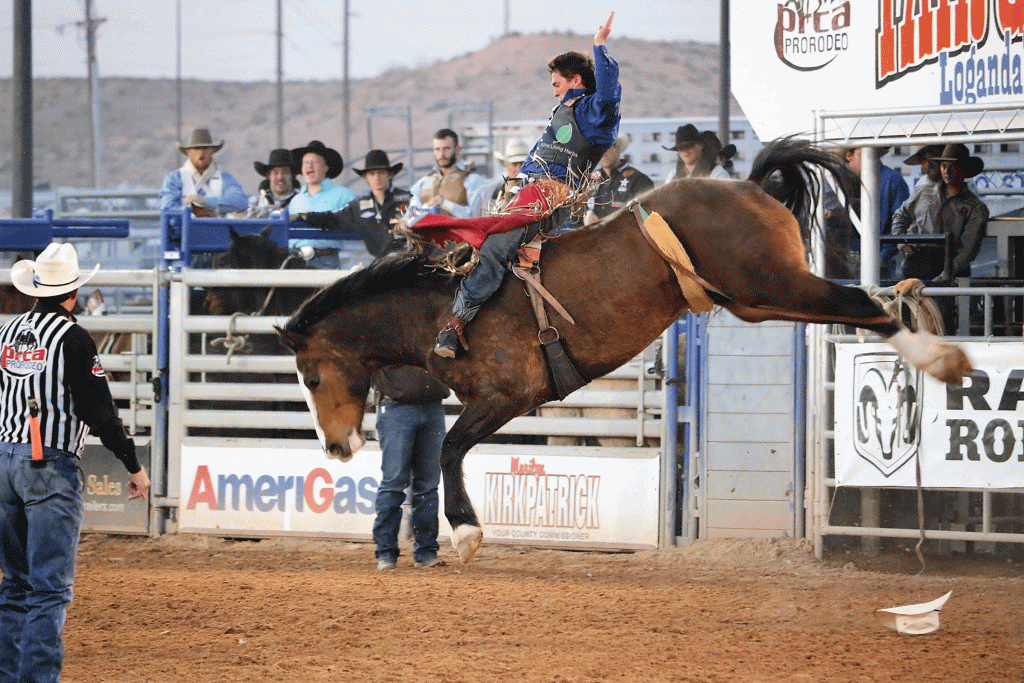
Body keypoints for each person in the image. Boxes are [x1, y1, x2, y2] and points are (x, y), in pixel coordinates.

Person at [410, 12, 620, 358]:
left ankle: (455, 325)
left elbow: (610, 95)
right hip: (530, 194)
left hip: (555, 197)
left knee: (495, 246)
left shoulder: (595, 113)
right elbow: (539, 154)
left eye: (556, 83)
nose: (553, 90)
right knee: (479, 244)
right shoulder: (563, 112)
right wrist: (516, 182)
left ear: (575, 79)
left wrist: (599, 48)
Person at [0, 243, 150, 683]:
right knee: (49, 589)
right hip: (48, 465)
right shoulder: (74, 337)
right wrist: (132, 464)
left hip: (4, 459)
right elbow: (99, 410)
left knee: (16, 583)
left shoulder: (9, 333)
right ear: (74, 292)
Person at [891, 143, 989, 283]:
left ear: (963, 169)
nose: (947, 171)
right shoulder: (924, 193)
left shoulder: (976, 207)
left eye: (953, 166)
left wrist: (948, 272)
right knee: (911, 303)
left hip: (951, 266)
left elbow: (969, 249)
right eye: (943, 166)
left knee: (944, 304)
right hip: (916, 262)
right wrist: (900, 240)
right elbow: (901, 215)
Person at [301, 150, 413, 259]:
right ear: (366, 178)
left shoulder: (408, 199)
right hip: (381, 265)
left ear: (390, 175)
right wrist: (304, 216)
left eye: (381, 172)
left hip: (408, 259)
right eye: (372, 173)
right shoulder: (358, 206)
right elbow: (332, 219)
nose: (377, 177)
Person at [842, 146, 910, 280]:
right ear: (848, 155)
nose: (868, 158)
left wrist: (882, 257)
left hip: (881, 265)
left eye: (871, 154)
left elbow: (901, 225)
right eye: (864, 154)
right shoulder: (843, 181)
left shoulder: (893, 181)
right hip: (851, 261)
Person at [287, 140, 357, 269]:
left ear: (326, 168)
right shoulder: (295, 200)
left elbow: (355, 226)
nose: (309, 166)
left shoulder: (344, 195)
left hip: (326, 260)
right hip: (295, 260)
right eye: (305, 163)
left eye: (314, 162)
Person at [160, 127, 249, 216]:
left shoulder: (225, 178)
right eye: (197, 148)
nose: (201, 152)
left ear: (212, 151)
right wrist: (196, 211)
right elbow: (167, 208)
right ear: (189, 152)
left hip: (217, 229)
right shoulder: (174, 178)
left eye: (205, 148)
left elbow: (241, 202)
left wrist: (203, 201)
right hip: (185, 229)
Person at [406, 129, 489, 220]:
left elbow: (475, 216)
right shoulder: (423, 182)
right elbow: (411, 215)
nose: (441, 154)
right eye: (437, 149)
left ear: (457, 150)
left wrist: (445, 204)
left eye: (446, 149)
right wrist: (427, 207)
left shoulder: (472, 179)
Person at [584, 134, 654, 224]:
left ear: (617, 147)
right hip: (595, 236)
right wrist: (587, 213)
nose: (603, 154)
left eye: (606, 147)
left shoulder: (639, 180)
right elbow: (575, 213)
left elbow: (648, 219)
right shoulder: (589, 179)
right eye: (598, 149)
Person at [662, 125, 731, 182]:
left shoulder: (717, 175)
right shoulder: (672, 177)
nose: (685, 151)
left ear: (700, 145)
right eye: (680, 148)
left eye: (689, 146)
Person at [482, 138, 531, 211]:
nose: (518, 168)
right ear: (506, 165)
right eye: (514, 164)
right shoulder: (490, 193)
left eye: (522, 164)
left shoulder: (536, 191)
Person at [252, 147, 300, 215]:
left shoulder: (303, 199)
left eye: (285, 172)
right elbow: (238, 216)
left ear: (292, 176)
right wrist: (263, 211)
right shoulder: (256, 201)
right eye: (276, 173)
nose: (280, 177)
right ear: (269, 176)